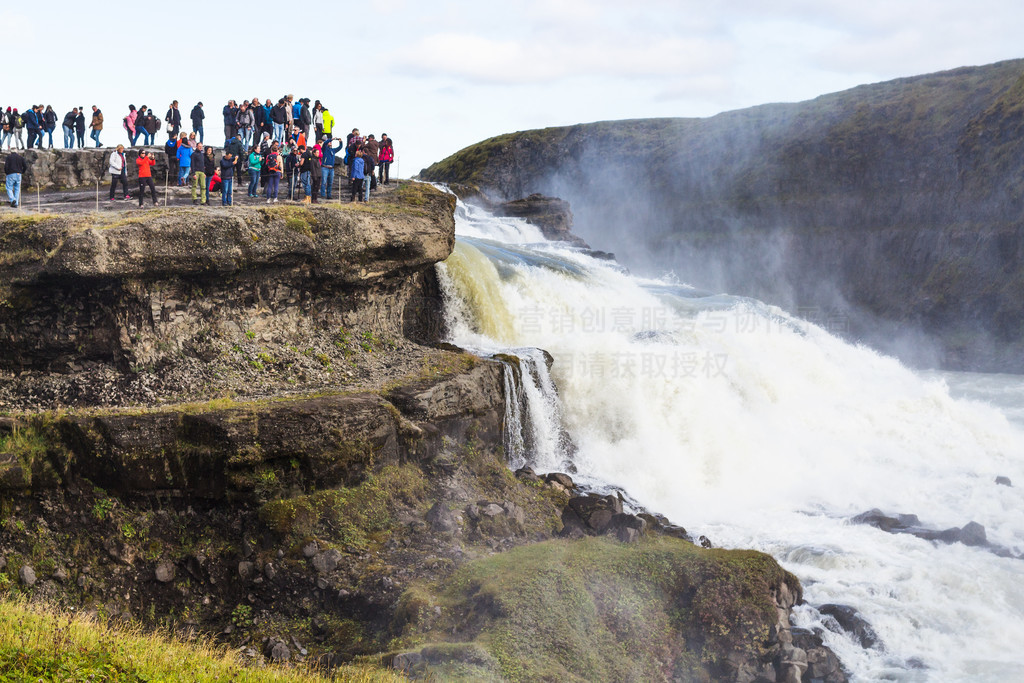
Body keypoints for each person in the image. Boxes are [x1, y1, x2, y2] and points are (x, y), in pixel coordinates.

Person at [321, 135, 342, 199]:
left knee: (330, 183)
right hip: (325, 167)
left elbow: (339, 148)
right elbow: (324, 143)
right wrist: (331, 139)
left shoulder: (333, 150)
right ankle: (323, 195)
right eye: (329, 142)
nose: (330, 143)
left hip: (331, 169)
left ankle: (329, 195)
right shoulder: (324, 149)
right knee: (324, 182)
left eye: (331, 142)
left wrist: (340, 142)